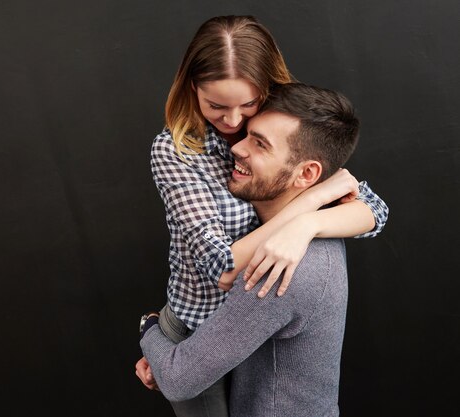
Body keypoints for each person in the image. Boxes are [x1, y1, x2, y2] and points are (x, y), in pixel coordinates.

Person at [138, 15, 389, 417]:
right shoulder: (176, 152)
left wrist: (309, 223)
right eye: (216, 106)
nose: (234, 123)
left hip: (252, 317)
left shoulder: (280, 121)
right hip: (197, 325)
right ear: (192, 89)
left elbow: (374, 209)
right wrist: (307, 204)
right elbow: (222, 268)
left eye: (248, 105)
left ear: (266, 91)